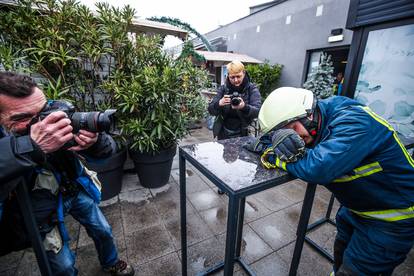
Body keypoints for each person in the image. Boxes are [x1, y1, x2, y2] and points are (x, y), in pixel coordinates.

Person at [257, 87, 414, 275]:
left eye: (293, 128)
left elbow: (318, 168)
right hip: (355, 208)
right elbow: (271, 142)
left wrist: (275, 158)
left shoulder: (354, 122)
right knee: (340, 258)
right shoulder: (315, 125)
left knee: (357, 270)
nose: (295, 137)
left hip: (392, 219)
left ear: (309, 113)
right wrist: (271, 143)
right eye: (284, 133)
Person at [0, 72, 134, 276]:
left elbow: (108, 150)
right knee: (62, 266)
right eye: (24, 118)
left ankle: (111, 263)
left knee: (103, 230)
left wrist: (94, 143)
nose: (41, 123)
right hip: (39, 210)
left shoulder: (54, 112)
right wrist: (32, 148)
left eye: (41, 111)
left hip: (72, 189)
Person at [208, 60, 262, 140]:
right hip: (223, 132)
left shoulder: (251, 89)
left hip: (244, 132)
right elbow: (210, 110)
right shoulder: (223, 89)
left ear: (243, 73)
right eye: (232, 77)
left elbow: (258, 112)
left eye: (238, 76)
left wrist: (244, 107)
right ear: (228, 76)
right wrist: (219, 103)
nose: (235, 80)